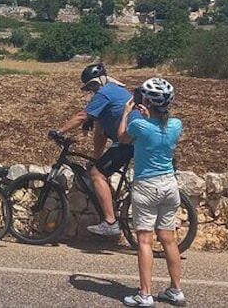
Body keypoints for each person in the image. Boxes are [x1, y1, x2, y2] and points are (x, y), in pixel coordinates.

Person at [117, 78, 185, 307]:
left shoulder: (138, 125)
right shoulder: (176, 125)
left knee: (144, 240)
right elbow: (159, 132)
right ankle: (176, 290)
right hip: (169, 184)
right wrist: (148, 116)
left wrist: (127, 114)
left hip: (147, 184)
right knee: (168, 239)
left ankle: (145, 294)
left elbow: (122, 137)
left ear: (146, 100)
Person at [53, 62, 136, 237]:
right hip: (134, 140)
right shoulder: (113, 91)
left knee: (97, 175)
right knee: (98, 170)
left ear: (101, 81)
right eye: (90, 87)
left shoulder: (105, 94)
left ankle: (110, 222)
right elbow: (100, 134)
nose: (92, 89)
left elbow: (82, 116)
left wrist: (59, 131)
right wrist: (96, 159)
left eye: (93, 85)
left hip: (127, 143)